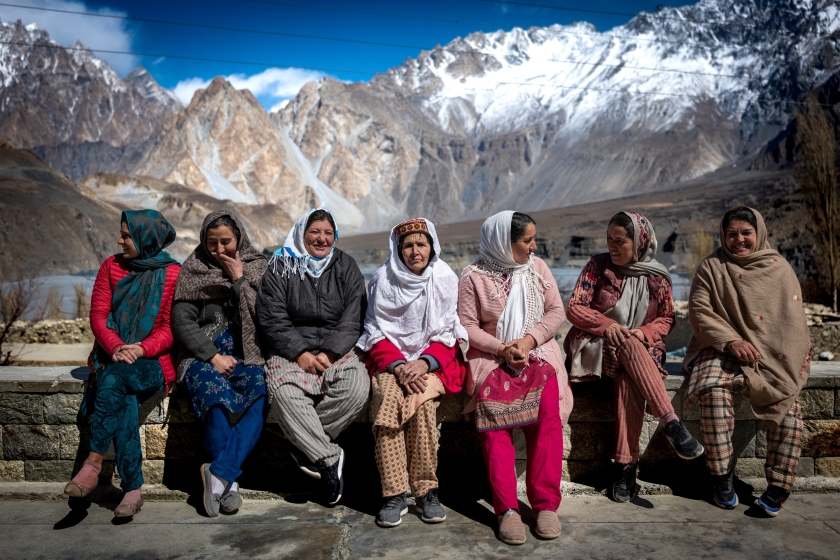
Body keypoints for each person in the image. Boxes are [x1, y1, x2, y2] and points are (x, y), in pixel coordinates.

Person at [565, 211, 703, 503]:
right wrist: (608, 326)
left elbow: (666, 319)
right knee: (627, 347)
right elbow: (575, 308)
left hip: (640, 348)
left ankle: (626, 466)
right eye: (609, 240)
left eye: (620, 241)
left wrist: (642, 333)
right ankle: (670, 423)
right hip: (596, 345)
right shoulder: (597, 266)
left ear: (639, 242)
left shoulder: (657, 276)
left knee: (630, 357)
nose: (612, 247)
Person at [683, 206, 811, 516]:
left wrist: (774, 354)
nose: (739, 240)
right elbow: (700, 311)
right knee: (713, 392)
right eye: (732, 234)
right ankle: (721, 477)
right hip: (718, 347)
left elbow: (791, 322)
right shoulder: (712, 267)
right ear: (723, 236)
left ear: (759, 234)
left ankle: (779, 486)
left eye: (746, 233)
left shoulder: (778, 268)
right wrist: (731, 341)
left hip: (770, 351)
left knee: (788, 406)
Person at [458, 211, 572, 545]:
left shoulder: (536, 269)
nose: (534, 246)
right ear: (503, 244)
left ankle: (546, 505)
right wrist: (502, 348)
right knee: (496, 428)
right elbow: (467, 325)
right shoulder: (473, 276)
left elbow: (555, 313)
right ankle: (507, 509)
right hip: (493, 359)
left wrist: (527, 342)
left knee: (548, 418)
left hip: (535, 355)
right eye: (526, 240)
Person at [64, 210, 180, 518]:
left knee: (114, 381)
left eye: (127, 235)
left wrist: (140, 349)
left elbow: (170, 328)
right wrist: (115, 347)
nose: (120, 240)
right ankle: (132, 490)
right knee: (122, 396)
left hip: (151, 363)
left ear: (146, 237)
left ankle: (93, 463)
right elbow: (99, 316)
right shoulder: (111, 267)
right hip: (112, 357)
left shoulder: (172, 274)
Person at [357, 218, 468, 528]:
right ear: (398, 249)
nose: (415, 251)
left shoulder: (445, 277)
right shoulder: (382, 279)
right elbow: (373, 329)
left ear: (432, 246)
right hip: (391, 363)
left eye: (421, 244)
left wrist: (424, 363)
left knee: (420, 404)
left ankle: (425, 489)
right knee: (386, 398)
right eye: (408, 245)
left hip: (433, 363)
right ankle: (393, 493)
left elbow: (449, 329)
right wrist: (400, 365)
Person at [257, 208, 369, 505]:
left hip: (337, 350)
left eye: (328, 233)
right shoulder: (281, 265)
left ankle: (303, 444)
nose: (322, 239)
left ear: (335, 237)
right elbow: (272, 317)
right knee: (284, 394)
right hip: (290, 351)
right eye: (315, 232)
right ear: (301, 233)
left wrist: (331, 352)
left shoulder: (346, 265)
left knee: (357, 387)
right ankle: (329, 460)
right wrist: (301, 353)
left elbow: (354, 315)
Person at [171, 211, 268, 518]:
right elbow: (181, 320)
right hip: (204, 354)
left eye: (226, 242)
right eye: (212, 243)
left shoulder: (258, 266)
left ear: (239, 238)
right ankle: (230, 482)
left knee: (262, 393)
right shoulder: (194, 268)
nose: (219, 250)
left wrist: (239, 279)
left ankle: (219, 474)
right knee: (213, 397)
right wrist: (212, 355)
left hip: (247, 352)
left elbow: (264, 316)